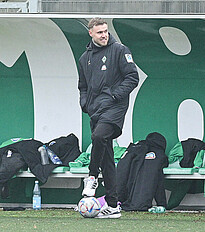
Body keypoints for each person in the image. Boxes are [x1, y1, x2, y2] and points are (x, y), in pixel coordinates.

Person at [78, 17, 139, 219]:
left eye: (105, 31)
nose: (104, 35)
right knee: (107, 158)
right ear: (91, 34)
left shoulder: (120, 50)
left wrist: (114, 95)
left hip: (114, 108)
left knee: (98, 137)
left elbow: (133, 77)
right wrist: (85, 103)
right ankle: (113, 206)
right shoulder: (84, 58)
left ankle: (92, 176)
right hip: (95, 110)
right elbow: (83, 86)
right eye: (99, 32)